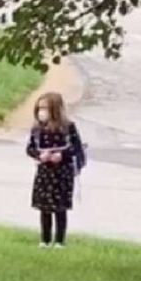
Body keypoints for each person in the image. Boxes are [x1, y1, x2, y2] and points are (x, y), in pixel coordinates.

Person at [26, 92, 84, 249]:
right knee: (44, 207)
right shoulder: (37, 129)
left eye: (45, 108)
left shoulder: (68, 127)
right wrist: (39, 155)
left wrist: (62, 155)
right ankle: (44, 239)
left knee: (60, 207)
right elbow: (30, 148)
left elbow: (75, 147)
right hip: (44, 172)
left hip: (62, 173)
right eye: (39, 108)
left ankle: (59, 240)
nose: (41, 112)